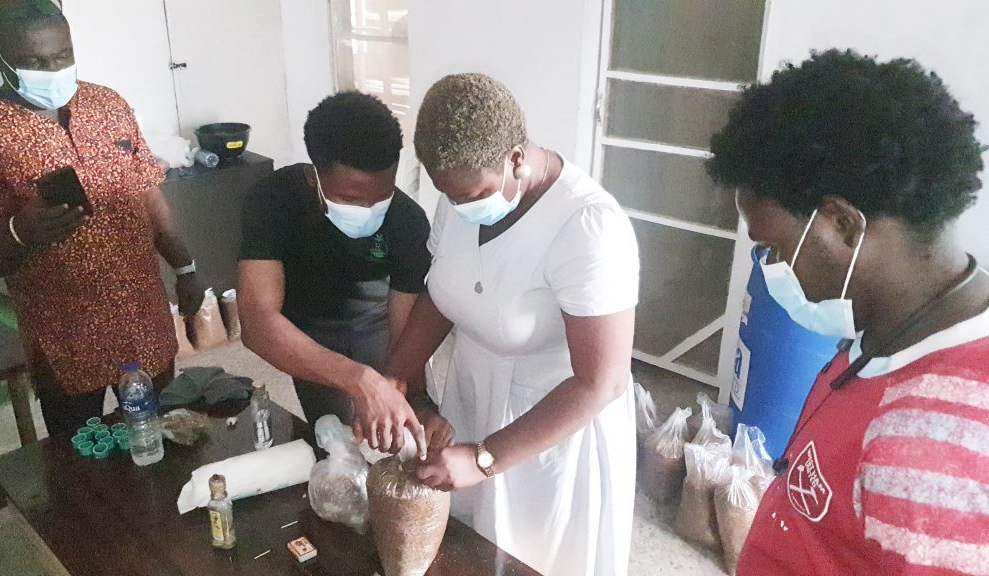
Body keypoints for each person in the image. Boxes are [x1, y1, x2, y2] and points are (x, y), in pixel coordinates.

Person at [707, 49, 989, 574]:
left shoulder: (938, 441)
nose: (771, 268)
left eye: (773, 247)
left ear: (842, 225)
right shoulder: (894, 326)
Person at [382, 73, 640, 576]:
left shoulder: (587, 227)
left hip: (549, 425)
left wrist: (484, 458)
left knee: (534, 554)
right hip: (473, 395)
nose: (459, 207)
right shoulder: (459, 197)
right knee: (470, 547)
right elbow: (443, 292)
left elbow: (602, 381)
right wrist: (396, 379)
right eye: (448, 195)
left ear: (516, 157)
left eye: (470, 194)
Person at [0, 0, 204, 436]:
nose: (54, 70)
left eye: (62, 56)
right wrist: (20, 232)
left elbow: (146, 192)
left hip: (141, 313)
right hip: (65, 339)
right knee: (80, 455)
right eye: (36, 62)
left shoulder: (107, 104)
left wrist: (184, 267)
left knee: (164, 434)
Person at [238, 91, 434, 453]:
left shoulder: (408, 221)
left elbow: (406, 330)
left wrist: (414, 398)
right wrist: (358, 380)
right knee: (331, 443)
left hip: (375, 327)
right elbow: (258, 323)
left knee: (400, 434)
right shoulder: (273, 200)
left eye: (383, 196)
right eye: (352, 199)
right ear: (315, 176)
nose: (370, 208)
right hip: (307, 333)